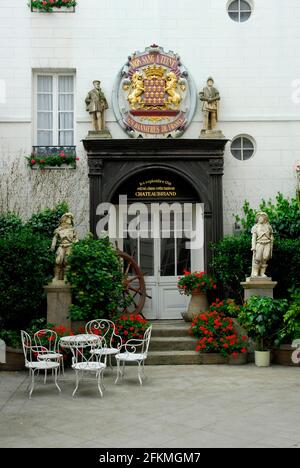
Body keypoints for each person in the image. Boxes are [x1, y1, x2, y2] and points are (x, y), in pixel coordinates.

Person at [51, 212, 78, 281]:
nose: (68, 221)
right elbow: (55, 237)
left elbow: (76, 239)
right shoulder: (59, 230)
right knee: (58, 261)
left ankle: (66, 277)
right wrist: (53, 245)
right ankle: (56, 276)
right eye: (67, 219)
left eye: (69, 220)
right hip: (61, 246)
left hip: (69, 246)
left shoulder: (72, 230)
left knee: (67, 261)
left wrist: (76, 243)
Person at [250, 212, 274, 277]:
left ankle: (262, 273)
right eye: (259, 218)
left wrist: (272, 241)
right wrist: (253, 246)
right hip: (259, 243)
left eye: (262, 218)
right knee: (257, 258)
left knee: (265, 258)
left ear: (265, 219)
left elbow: (271, 235)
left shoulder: (269, 227)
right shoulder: (255, 227)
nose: (260, 219)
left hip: (267, 243)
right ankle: (255, 272)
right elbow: (253, 238)